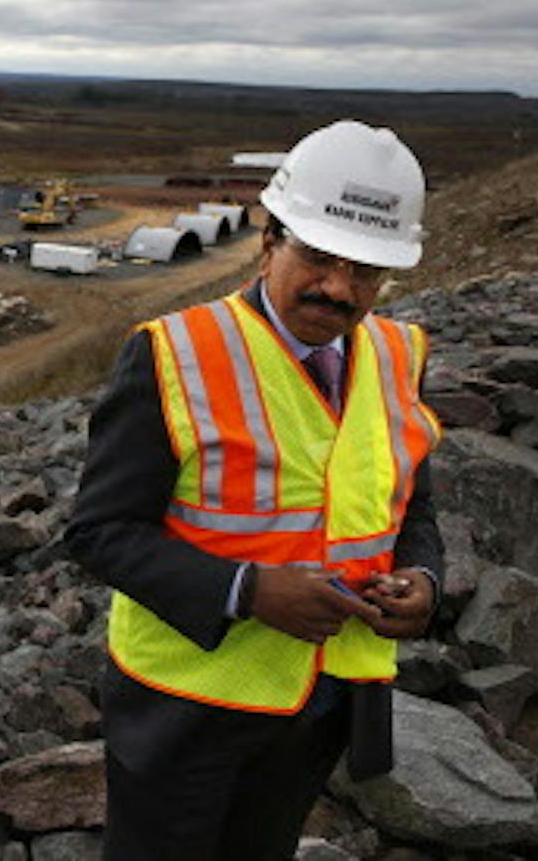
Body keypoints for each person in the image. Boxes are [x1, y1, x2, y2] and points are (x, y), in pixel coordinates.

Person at [66, 120, 445, 860]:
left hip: (324, 700)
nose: (339, 288)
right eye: (319, 257)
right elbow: (99, 531)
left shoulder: (401, 358)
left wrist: (426, 582)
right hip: (185, 708)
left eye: (365, 270)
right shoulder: (172, 355)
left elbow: (413, 510)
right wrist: (248, 590)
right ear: (270, 240)